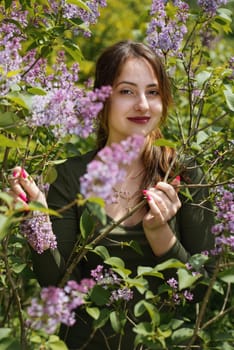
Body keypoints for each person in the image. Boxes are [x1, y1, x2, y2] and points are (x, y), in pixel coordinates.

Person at [9, 40, 214, 349]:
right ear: (103, 99)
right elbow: (57, 285)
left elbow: (208, 293)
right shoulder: (70, 177)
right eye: (127, 91)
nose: (143, 104)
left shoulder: (185, 177)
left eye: (153, 92)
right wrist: (37, 219)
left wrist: (161, 236)